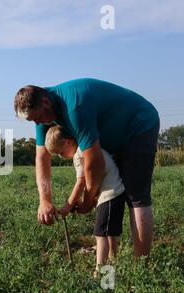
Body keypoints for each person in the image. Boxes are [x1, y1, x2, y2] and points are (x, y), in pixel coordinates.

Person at [14, 78, 160, 258]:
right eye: (32, 121)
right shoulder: (43, 115)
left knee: (136, 197)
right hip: (113, 138)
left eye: (36, 118)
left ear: (45, 102)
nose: (37, 124)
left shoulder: (74, 106)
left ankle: (141, 267)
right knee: (115, 194)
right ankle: (112, 255)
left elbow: (94, 162)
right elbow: (42, 158)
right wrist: (45, 200)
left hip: (139, 124)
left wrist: (88, 201)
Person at [45, 125, 125, 272]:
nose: (61, 156)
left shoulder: (79, 154)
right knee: (109, 233)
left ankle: (100, 272)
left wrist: (67, 206)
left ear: (68, 142)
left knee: (100, 235)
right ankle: (113, 261)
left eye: (61, 152)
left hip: (109, 195)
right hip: (117, 192)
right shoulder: (87, 146)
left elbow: (81, 182)